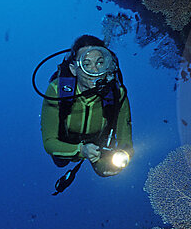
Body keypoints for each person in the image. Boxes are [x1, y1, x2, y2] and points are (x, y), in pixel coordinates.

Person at [40, 35, 133, 181]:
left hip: (99, 144)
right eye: (86, 64)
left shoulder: (117, 94)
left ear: (107, 66)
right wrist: (80, 150)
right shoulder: (57, 90)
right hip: (67, 142)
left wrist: (121, 155)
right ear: (74, 69)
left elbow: (126, 142)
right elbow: (49, 142)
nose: (94, 70)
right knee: (60, 161)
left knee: (106, 170)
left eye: (100, 63)